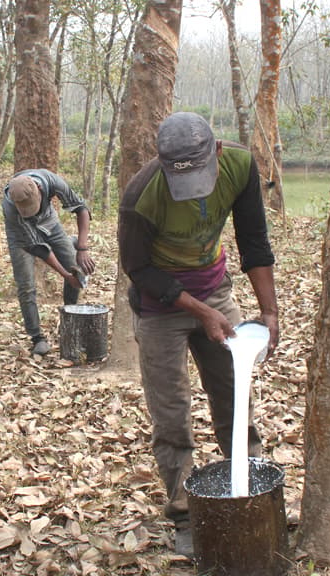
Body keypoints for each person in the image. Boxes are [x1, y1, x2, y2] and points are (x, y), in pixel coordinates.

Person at [117, 112, 279, 557]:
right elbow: (137, 269)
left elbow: (254, 239)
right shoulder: (141, 196)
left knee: (234, 391)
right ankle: (185, 510)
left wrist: (268, 311)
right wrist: (198, 311)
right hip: (159, 307)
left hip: (215, 289)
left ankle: (249, 490)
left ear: (217, 153)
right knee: (171, 409)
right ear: (164, 163)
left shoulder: (240, 166)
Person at [2, 169, 96, 355]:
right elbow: (38, 247)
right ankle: (37, 337)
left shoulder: (51, 181)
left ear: (38, 188)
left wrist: (83, 248)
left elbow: (81, 209)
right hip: (22, 240)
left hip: (49, 222)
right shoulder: (10, 207)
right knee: (26, 285)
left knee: (75, 266)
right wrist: (66, 276)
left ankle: (70, 318)